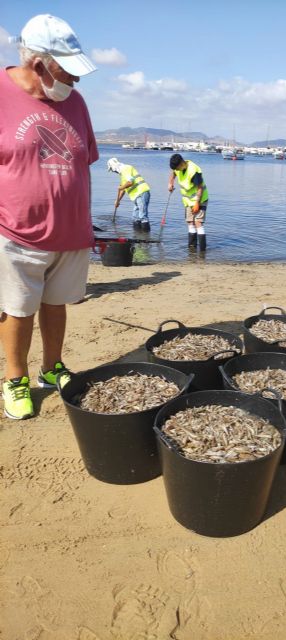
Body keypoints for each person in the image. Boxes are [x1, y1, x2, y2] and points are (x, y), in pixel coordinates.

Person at [0, 14, 98, 420]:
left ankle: (51, 367)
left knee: (56, 305)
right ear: (38, 64)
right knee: (18, 309)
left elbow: (84, 159)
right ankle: (15, 378)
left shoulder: (75, 103)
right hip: (16, 230)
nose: (75, 81)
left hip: (71, 233)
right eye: (67, 70)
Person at [168, 154, 209, 251]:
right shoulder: (177, 168)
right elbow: (173, 173)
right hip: (187, 200)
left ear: (182, 163)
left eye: (177, 168)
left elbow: (200, 188)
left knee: (198, 222)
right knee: (190, 222)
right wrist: (170, 183)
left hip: (201, 198)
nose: (177, 170)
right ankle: (192, 248)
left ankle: (202, 250)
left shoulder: (194, 171)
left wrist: (197, 203)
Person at [107, 158, 151, 231]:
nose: (113, 171)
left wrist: (121, 187)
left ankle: (145, 239)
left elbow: (130, 182)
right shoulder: (122, 175)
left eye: (112, 169)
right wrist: (117, 200)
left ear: (114, 166)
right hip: (136, 196)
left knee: (143, 217)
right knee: (135, 218)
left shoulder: (125, 168)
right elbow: (123, 190)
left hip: (141, 192)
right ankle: (137, 237)